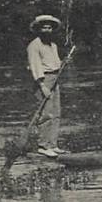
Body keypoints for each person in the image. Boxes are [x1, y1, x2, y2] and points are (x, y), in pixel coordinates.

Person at [26, 15, 67, 158]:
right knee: (46, 114)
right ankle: (43, 145)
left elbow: (55, 63)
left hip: (55, 78)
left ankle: (53, 144)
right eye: (44, 27)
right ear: (38, 29)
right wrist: (42, 86)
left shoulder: (53, 45)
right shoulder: (34, 45)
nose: (47, 30)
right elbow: (35, 66)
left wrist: (64, 62)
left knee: (56, 113)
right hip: (43, 81)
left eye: (49, 28)